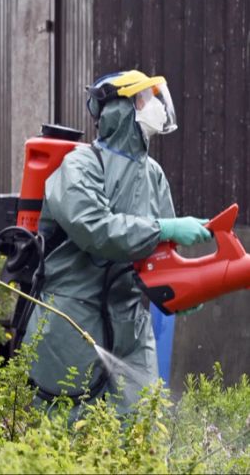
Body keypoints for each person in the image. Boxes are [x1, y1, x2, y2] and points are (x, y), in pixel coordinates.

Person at [24, 70, 211, 413]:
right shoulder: (80, 165)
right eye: (145, 99)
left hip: (129, 324)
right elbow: (96, 229)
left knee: (143, 431)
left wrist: (182, 290)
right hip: (72, 321)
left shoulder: (153, 174)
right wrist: (165, 228)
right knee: (61, 437)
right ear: (120, 109)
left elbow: (158, 260)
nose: (154, 107)